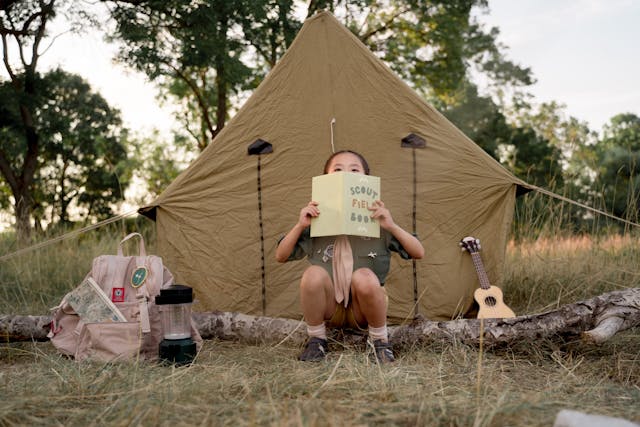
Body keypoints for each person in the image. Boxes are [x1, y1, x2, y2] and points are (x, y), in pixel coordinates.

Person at [275, 150, 424, 363]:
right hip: (330, 308)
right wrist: (301, 225)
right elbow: (281, 256)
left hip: (364, 309)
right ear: (326, 179)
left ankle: (380, 341)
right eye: (337, 169)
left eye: (354, 170)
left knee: (364, 275)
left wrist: (390, 225)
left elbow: (418, 252)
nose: (346, 173)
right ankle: (317, 340)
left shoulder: (377, 221)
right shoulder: (317, 222)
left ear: (366, 179)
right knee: (312, 274)